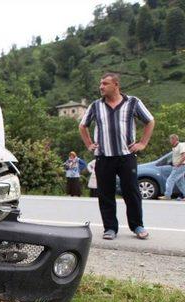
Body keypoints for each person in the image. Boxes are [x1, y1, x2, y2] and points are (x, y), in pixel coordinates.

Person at [78, 72, 155, 240]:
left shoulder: (133, 103)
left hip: (126, 156)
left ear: (116, 85)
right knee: (105, 193)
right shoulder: (95, 106)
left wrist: (142, 143)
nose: (101, 87)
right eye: (101, 84)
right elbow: (83, 126)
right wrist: (89, 144)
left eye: (105, 83)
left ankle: (137, 226)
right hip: (103, 157)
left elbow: (150, 121)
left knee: (132, 192)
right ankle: (110, 228)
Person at [158, 134, 185, 201]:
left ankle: (167, 195)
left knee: (170, 180)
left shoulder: (181, 145)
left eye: (170, 139)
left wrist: (178, 164)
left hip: (180, 166)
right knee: (180, 183)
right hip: (179, 166)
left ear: (174, 139)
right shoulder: (175, 147)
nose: (170, 141)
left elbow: (184, 156)